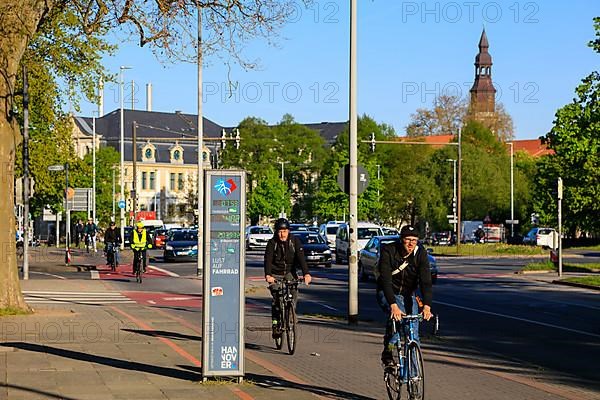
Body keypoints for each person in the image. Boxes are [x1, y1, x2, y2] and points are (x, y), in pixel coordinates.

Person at [377, 225, 433, 367]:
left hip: (408, 294)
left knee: (412, 332)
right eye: (407, 239)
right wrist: (393, 305)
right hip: (388, 292)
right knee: (398, 321)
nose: (410, 243)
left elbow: (425, 281)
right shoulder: (389, 251)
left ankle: (413, 377)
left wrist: (427, 306)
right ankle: (388, 351)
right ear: (401, 239)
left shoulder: (420, 253)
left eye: (414, 240)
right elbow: (386, 281)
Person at [264, 218, 312, 338]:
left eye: (284, 231)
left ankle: (291, 313)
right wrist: (268, 275)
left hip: (290, 272)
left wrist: (306, 274)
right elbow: (268, 260)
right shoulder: (272, 243)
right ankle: (276, 324)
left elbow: (301, 258)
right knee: (277, 298)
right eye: (280, 231)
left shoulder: (295, 241)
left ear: (288, 231)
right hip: (275, 273)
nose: (282, 234)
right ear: (276, 232)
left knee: (294, 291)